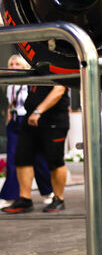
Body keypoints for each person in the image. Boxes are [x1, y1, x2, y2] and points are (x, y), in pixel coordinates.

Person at [2, 83, 70, 214]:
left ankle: (58, 198)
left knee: (55, 160)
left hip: (53, 119)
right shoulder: (37, 67)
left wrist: (39, 111)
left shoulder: (57, 66)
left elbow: (59, 90)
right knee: (22, 158)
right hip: (31, 117)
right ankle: (24, 199)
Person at [0, 55, 54, 209]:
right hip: (15, 122)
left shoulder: (30, 82)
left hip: (28, 119)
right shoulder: (10, 84)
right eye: (12, 63)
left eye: (17, 64)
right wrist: (9, 117)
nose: (14, 66)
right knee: (13, 159)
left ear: (24, 66)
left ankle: (48, 191)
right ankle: (10, 195)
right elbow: (11, 103)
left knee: (37, 158)